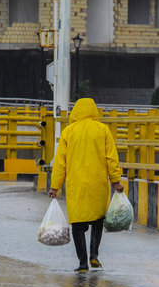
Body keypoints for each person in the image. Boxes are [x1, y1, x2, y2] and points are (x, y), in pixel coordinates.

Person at [48, 98, 124, 272]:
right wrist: (116, 181)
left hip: (77, 186)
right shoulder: (102, 130)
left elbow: (60, 162)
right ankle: (94, 256)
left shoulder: (68, 132)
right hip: (98, 183)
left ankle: (83, 263)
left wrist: (55, 186)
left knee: (77, 225)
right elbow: (111, 158)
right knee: (97, 220)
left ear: (76, 112)